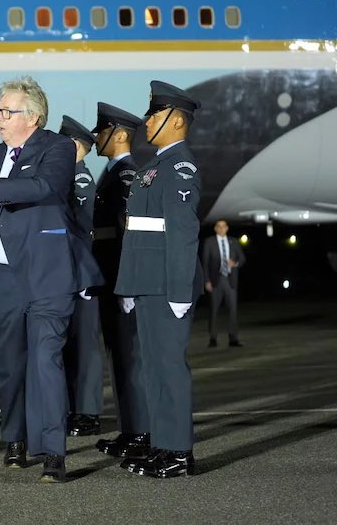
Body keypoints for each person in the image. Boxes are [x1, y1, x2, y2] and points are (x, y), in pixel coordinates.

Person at [0, 76, 102, 483]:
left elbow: (43, 187)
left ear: (32, 117)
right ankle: (14, 437)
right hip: (3, 274)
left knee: (46, 361)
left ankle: (53, 451)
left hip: (47, 274)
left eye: (5, 111)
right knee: (10, 364)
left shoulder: (57, 149)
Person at [116, 80, 203, 479]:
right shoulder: (154, 166)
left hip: (168, 284)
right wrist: (129, 285)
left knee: (168, 367)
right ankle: (162, 445)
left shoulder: (180, 167)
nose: (148, 121)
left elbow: (182, 232)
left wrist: (181, 290)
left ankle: (180, 453)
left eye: (154, 114)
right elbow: (138, 233)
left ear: (177, 120)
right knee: (152, 367)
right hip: (147, 282)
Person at [88, 103, 152, 461]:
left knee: (130, 357)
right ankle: (130, 429)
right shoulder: (113, 173)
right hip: (109, 275)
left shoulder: (127, 175)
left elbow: (131, 235)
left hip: (120, 278)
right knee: (119, 357)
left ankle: (141, 430)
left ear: (120, 135)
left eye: (103, 131)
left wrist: (128, 282)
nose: (97, 137)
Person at [57, 115, 103, 438]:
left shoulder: (81, 180)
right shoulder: (66, 178)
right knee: (70, 346)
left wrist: (84, 277)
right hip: (66, 275)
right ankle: (74, 406)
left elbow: (84, 232)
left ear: (76, 147)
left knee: (85, 346)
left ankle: (88, 411)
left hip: (80, 277)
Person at [201, 219, 246, 347]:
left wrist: (235, 263)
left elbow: (242, 258)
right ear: (215, 228)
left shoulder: (233, 242)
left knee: (233, 310)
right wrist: (206, 280)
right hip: (215, 280)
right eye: (218, 226)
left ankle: (233, 338)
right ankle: (213, 338)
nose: (221, 229)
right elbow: (205, 263)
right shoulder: (209, 242)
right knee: (214, 310)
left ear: (227, 228)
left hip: (230, 280)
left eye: (223, 226)